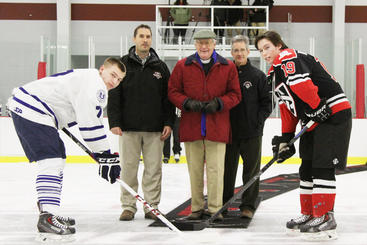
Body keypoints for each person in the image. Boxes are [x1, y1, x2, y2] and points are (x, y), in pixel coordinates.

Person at [7, 57, 126, 239]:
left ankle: (50, 210)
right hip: (33, 109)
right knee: (51, 160)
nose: (114, 82)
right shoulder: (96, 84)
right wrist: (104, 154)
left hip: (34, 108)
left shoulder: (88, 79)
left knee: (58, 158)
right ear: (102, 69)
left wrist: (103, 155)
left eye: (119, 80)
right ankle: (47, 217)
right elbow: (90, 123)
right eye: (113, 75)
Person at [255, 30, 352, 241]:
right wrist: (285, 139)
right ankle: (310, 214)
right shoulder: (274, 73)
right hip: (314, 118)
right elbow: (288, 108)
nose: (264, 54)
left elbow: (302, 84)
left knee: (321, 166)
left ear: (279, 45)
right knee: (306, 166)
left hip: (332, 113)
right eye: (261, 51)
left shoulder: (287, 57)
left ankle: (325, 215)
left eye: (267, 48)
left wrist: (317, 106)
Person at [168, 29, 242, 221]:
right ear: (195, 45)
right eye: (200, 43)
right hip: (191, 128)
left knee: (216, 170)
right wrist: (186, 103)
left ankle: (215, 209)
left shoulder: (228, 67)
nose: (204, 46)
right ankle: (196, 208)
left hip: (217, 128)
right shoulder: (183, 66)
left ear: (214, 44)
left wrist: (219, 103)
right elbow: (173, 91)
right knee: (194, 170)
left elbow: (235, 95)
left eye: (207, 42)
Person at [107, 24, 175, 222]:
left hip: (155, 129)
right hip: (128, 128)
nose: (145, 40)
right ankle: (128, 206)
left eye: (148, 36)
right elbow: (114, 93)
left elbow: (168, 98)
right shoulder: (123, 64)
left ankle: (151, 206)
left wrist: (168, 122)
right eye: (141, 36)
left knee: (154, 169)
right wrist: (115, 121)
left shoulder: (160, 67)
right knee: (128, 168)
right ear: (134, 39)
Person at [222, 35, 272, 218]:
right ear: (231, 52)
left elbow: (267, 103)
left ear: (248, 52)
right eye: (236, 50)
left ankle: (248, 206)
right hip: (228, 133)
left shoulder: (258, 76)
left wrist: (257, 122)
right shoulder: (225, 74)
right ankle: (223, 205)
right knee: (226, 171)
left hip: (252, 133)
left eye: (242, 50)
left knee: (251, 171)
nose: (239, 53)